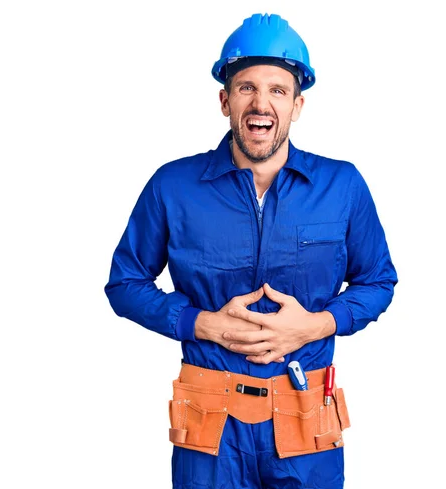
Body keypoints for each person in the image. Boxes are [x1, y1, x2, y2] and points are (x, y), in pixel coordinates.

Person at [104, 12, 397, 489]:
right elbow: (124, 283)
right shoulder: (173, 186)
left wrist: (315, 325)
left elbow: (379, 282)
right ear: (225, 100)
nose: (261, 103)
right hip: (211, 428)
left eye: (278, 90)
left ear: (298, 105)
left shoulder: (342, 186)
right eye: (246, 88)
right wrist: (201, 322)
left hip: (306, 425)